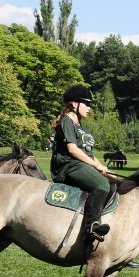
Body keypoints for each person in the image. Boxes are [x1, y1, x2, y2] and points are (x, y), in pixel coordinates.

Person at [50, 85, 113, 246]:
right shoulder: (66, 122)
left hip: (81, 164)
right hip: (68, 166)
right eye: (87, 104)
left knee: (112, 184)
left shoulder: (80, 126)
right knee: (101, 184)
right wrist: (96, 167)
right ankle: (91, 226)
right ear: (74, 104)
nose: (89, 108)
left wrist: (103, 167)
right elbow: (72, 150)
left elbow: (88, 153)